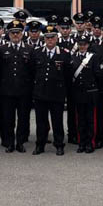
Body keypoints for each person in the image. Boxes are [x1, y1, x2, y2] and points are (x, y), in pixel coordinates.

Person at [31, 26, 71, 154]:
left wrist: (65, 93)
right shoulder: (36, 52)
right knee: (41, 121)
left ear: (56, 38)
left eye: (52, 37)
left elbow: (68, 75)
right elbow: (31, 73)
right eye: (47, 37)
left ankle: (59, 144)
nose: (49, 40)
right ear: (44, 38)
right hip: (40, 92)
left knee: (57, 120)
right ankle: (40, 144)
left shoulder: (64, 53)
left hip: (57, 93)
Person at [0, 19, 32, 153]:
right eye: (12, 33)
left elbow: (32, 71)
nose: (15, 35)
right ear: (8, 34)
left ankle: (20, 142)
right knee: (8, 118)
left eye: (17, 32)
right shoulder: (2, 49)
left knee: (23, 118)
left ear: (22, 33)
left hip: (24, 90)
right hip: (7, 90)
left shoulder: (29, 49)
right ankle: (9, 142)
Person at [68, 33, 100, 153]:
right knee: (80, 119)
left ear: (88, 45)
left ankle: (90, 143)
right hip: (78, 93)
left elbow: (97, 74)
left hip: (90, 92)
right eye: (80, 44)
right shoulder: (73, 57)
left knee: (91, 119)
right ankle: (81, 142)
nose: (82, 46)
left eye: (84, 44)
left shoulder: (93, 57)